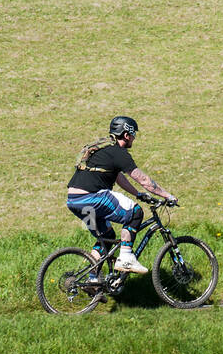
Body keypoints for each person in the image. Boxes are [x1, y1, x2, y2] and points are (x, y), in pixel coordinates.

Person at [65, 116, 176, 274]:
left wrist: (138, 194)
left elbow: (118, 177)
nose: (134, 139)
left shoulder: (103, 148)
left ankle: (92, 279)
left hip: (74, 202)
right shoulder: (118, 152)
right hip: (92, 198)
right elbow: (143, 179)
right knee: (135, 213)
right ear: (126, 134)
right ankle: (126, 258)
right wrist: (167, 196)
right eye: (133, 135)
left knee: (106, 237)